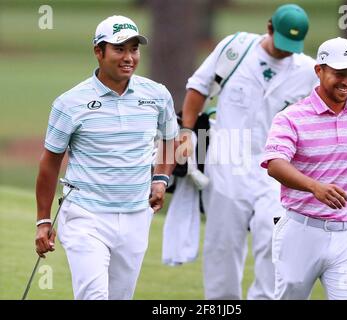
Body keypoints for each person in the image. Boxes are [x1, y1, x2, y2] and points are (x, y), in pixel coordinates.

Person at [34, 15, 179, 300]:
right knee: (94, 296)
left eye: (134, 49)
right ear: (99, 52)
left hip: (137, 214)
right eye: (119, 49)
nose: (129, 57)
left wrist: (161, 178)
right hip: (85, 215)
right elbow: (50, 163)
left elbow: (171, 138)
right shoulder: (70, 103)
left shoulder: (157, 95)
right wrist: (42, 221)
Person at [180, 4, 318, 299]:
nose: (285, 51)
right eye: (282, 43)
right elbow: (198, 87)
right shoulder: (235, 48)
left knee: (274, 238)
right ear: (269, 28)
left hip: (276, 166)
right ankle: (221, 302)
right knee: (223, 243)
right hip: (227, 158)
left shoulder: (308, 71)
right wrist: (187, 131)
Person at [261, 37, 347, 300]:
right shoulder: (290, 117)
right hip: (300, 233)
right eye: (339, 73)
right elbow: (275, 164)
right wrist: (314, 187)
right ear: (319, 70)